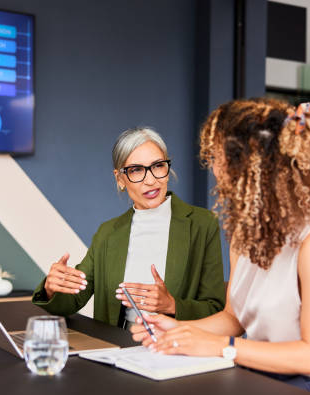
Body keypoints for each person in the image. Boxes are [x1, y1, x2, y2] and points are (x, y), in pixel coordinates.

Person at [131, 99, 310, 392]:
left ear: (250, 165)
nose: (212, 168)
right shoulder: (245, 236)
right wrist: (179, 329)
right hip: (256, 377)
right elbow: (233, 318)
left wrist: (219, 346)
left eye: (217, 156)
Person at [32, 126, 226, 328]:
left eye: (158, 166)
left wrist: (172, 305)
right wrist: (51, 289)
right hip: (118, 347)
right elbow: (73, 301)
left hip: (175, 348)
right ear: (120, 179)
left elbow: (215, 308)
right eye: (136, 170)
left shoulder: (202, 224)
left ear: (167, 170)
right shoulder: (107, 233)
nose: (150, 180)